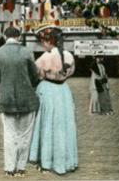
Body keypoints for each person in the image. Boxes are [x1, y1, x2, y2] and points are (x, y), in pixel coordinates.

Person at [0, 27, 40, 177]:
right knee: (25, 135)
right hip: (27, 99)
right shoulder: (27, 52)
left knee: (10, 134)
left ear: (5, 36)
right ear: (19, 36)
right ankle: (21, 168)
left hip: (6, 100)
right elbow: (35, 76)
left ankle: (9, 168)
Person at [29, 26, 78, 175]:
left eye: (43, 41)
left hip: (48, 91)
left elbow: (36, 75)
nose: (43, 44)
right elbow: (71, 72)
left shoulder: (44, 57)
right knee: (64, 126)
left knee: (47, 124)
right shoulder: (69, 55)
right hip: (63, 91)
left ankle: (46, 161)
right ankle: (66, 161)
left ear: (49, 41)